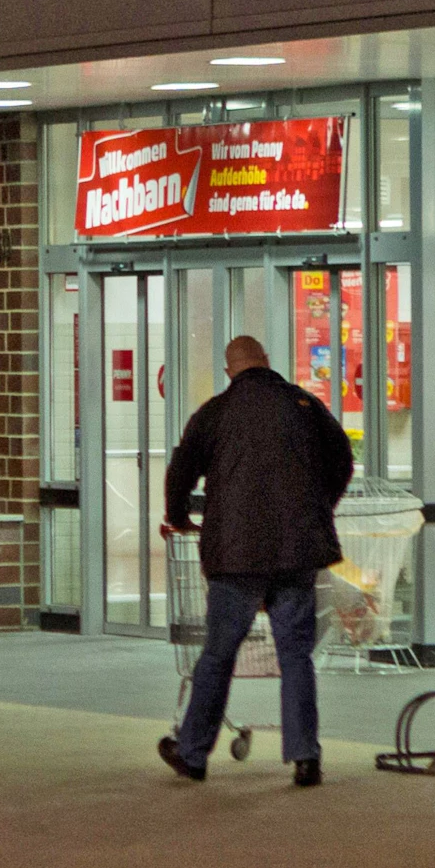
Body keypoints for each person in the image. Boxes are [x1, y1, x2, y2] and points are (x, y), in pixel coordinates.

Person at [155, 336, 353, 787]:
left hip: (236, 555)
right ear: (266, 362)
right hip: (298, 552)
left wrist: (179, 516)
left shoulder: (216, 412)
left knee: (218, 654)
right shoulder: (304, 404)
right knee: (296, 654)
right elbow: (342, 459)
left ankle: (193, 754)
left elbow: (181, 468)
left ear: (231, 371)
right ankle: (306, 758)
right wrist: (322, 506)